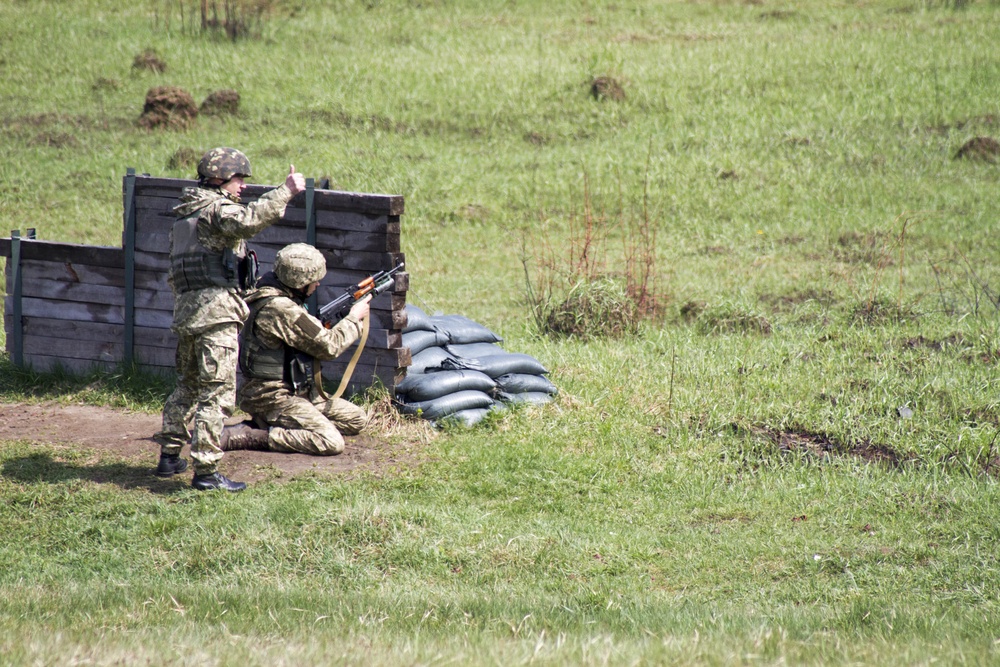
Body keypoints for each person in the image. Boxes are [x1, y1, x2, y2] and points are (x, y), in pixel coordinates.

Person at [154, 147, 306, 492]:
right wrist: (286, 191)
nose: (243, 187)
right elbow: (249, 220)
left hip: (188, 314)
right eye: (239, 179)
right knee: (216, 393)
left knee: (188, 385)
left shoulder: (185, 218)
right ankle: (206, 473)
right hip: (216, 315)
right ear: (220, 179)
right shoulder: (217, 209)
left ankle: (169, 455)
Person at [224, 243, 372, 456]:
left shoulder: (271, 293)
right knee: (330, 441)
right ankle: (255, 435)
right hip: (272, 397)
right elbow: (330, 347)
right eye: (314, 280)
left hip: (297, 392)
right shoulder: (281, 309)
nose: (318, 283)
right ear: (299, 282)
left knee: (356, 419)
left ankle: (288, 425)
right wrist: (353, 319)